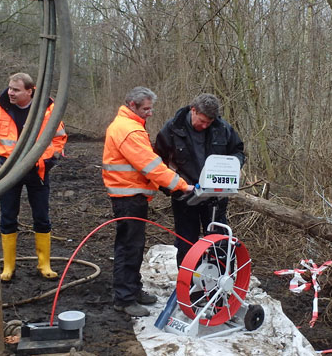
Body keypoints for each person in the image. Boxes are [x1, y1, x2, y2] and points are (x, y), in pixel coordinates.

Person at [102, 86, 193, 317]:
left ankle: (132, 289)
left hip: (131, 196)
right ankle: (124, 299)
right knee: (128, 248)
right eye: (146, 108)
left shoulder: (129, 126)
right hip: (128, 198)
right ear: (132, 105)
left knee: (134, 246)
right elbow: (151, 165)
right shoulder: (129, 131)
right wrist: (180, 185)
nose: (150, 113)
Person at [154, 93, 245, 266]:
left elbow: (238, 151)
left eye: (208, 123)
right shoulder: (172, 129)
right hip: (185, 198)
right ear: (193, 110)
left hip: (216, 198)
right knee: (187, 245)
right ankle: (188, 287)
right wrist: (172, 187)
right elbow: (157, 163)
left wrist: (235, 166)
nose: (204, 126)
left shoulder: (223, 128)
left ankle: (219, 286)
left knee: (220, 244)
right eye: (201, 121)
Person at [0, 73, 67, 281]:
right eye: (9, 88)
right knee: (8, 217)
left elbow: (60, 137)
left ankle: (44, 265)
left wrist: (50, 159)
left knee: (42, 218)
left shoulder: (48, 109)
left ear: (30, 91)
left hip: (38, 172)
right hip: (9, 171)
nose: (10, 93)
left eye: (16, 90)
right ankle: (8, 267)